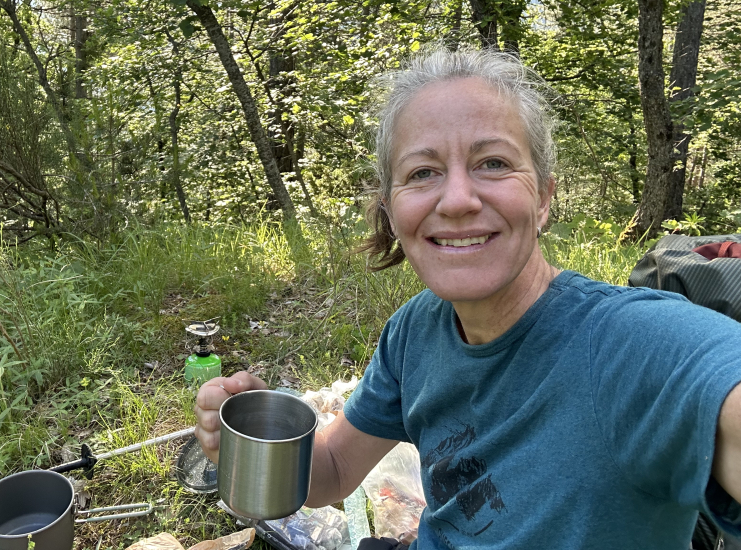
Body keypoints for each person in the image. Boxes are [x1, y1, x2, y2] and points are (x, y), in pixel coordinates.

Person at [195, 47, 741, 549]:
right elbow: (333, 469)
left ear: (545, 197)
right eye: (423, 172)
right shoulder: (416, 332)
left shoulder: (635, 344)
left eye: (494, 163)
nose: (456, 199)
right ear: (391, 209)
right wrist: (258, 446)